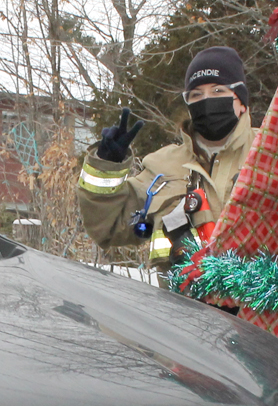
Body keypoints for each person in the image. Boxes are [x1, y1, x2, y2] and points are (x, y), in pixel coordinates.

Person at [78, 46, 257, 288]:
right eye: (196, 95)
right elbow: (107, 228)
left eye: (218, 91)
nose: (207, 101)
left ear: (242, 102)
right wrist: (107, 163)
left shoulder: (273, 153)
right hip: (183, 317)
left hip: (263, 316)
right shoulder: (161, 166)